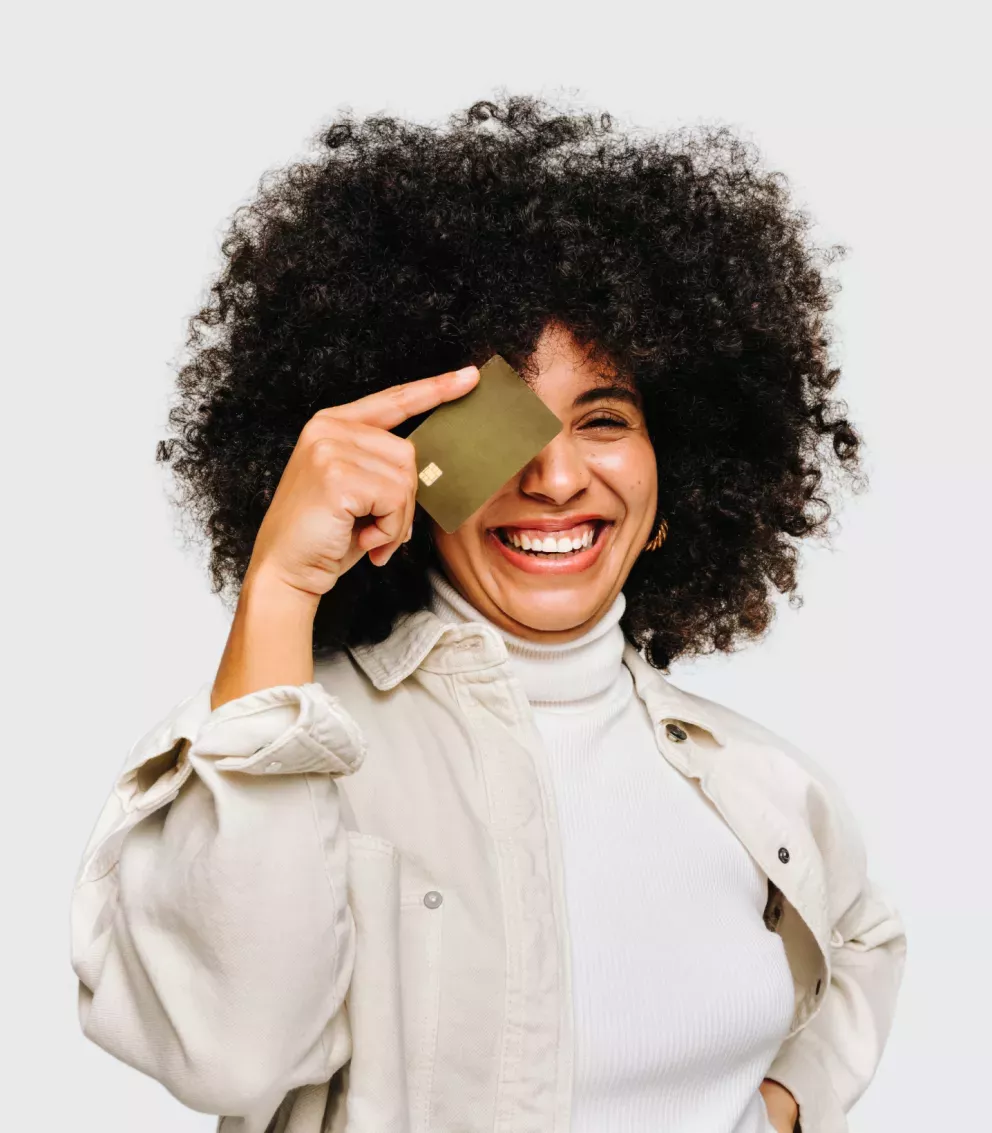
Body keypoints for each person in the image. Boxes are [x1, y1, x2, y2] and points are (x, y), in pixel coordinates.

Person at [70, 94, 906, 1133]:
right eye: (492, 424)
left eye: (603, 418)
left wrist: (785, 1102)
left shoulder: (752, 782)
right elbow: (229, 1055)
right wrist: (281, 586)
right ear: (408, 471)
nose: (554, 476)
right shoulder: (284, 741)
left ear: (674, 485)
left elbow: (860, 939)